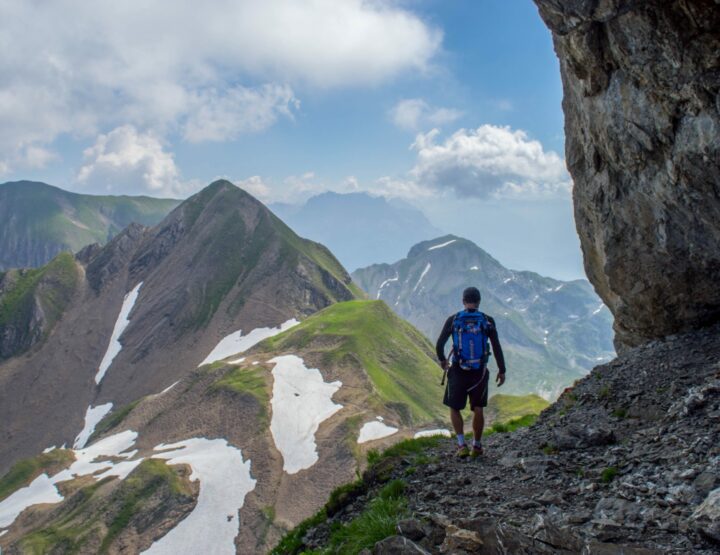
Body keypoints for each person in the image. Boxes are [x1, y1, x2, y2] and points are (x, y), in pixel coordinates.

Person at [436, 286, 506, 458]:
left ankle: (461, 445)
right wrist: (502, 370)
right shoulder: (487, 320)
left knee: (454, 407)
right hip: (479, 372)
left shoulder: (453, 320)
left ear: (463, 301)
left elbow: (440, 344)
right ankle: (477, 446)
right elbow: (496, 346)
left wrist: (443, 361)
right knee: (478, 408)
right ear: (479, 301)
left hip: (458, 371)